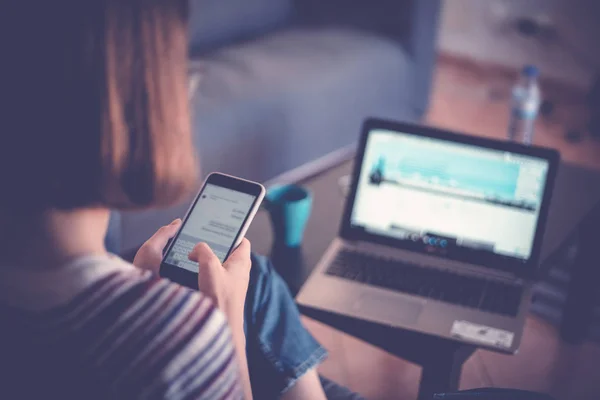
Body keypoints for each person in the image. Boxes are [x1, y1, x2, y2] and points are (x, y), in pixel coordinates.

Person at [0, 0, 331, 398]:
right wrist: (224, 332)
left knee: (254, 276)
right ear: (140, 99)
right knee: (254, 282)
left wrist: (135, 283)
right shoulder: (176, 339)